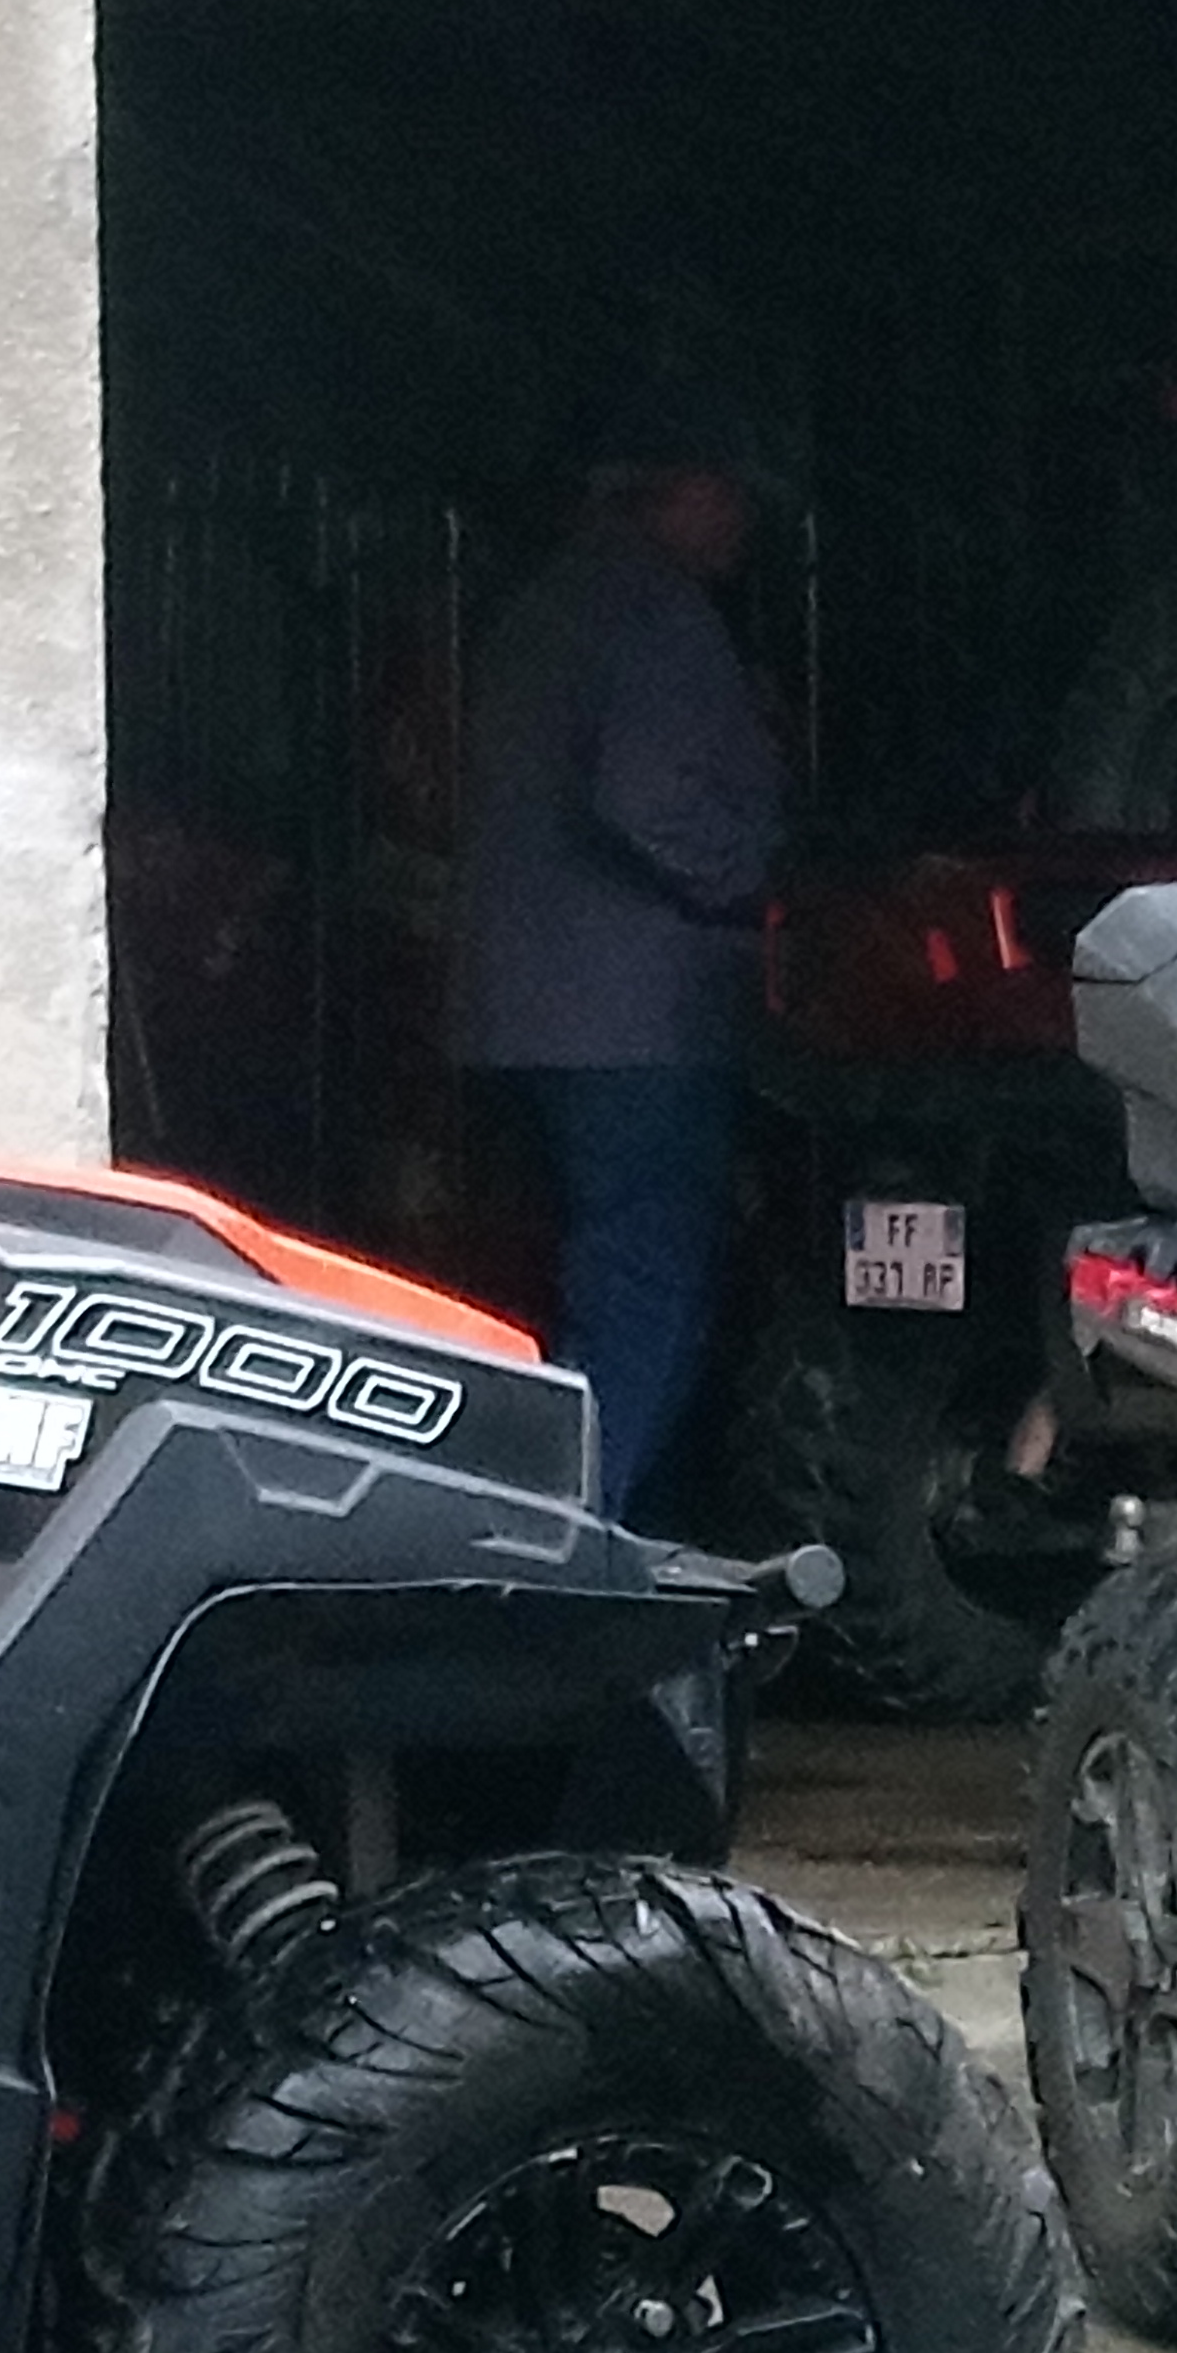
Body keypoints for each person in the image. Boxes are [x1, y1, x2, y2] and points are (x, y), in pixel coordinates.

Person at [454, 384, 785, 1526]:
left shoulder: (544, 606)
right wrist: (755, 884)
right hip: (634, 1025)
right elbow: (644, 795)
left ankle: (573, 1514)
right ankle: (578, 1536)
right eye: (732, 496)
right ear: (680, 491)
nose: (744, 523)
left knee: (583, 1282)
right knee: (646, 1287)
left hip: (520, 1012)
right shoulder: (655, 611)